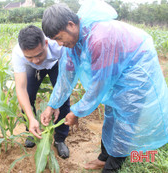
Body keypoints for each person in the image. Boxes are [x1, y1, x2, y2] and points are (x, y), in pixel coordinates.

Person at [40, 1, 168, 172]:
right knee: (111, 113)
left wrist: (77, 111)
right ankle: (104, 157)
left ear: (71, 25)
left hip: (136, 69)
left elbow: (99, 86)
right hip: (116, 71)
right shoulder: (72, 44)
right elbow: (65, 78)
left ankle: (112, 167)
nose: (59, 44)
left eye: (59, 38)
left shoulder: (100, 38)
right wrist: (51, 106)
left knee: (125, 118)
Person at [12, 25, 70, 159]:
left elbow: (65, 83)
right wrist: (31, 118)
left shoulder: (58, 45)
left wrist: (55, 104)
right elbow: (20, 89)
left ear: (46, 43)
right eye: (30, 57)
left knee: (63, 100)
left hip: (55, 64)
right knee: (28, 95)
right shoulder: (18, 54)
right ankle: (32, 130)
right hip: (32, 70)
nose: (36, 60)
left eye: (39, 54)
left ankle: (60, 139)